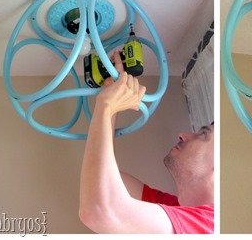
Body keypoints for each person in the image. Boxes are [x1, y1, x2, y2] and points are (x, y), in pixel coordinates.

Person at [79, 50, 214, 234]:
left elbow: (99, 211)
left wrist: (107, 105)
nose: (183, 135)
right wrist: (111, 101)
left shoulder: (211, 225)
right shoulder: (176, 210)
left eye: (202, 134)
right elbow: (104, 180)